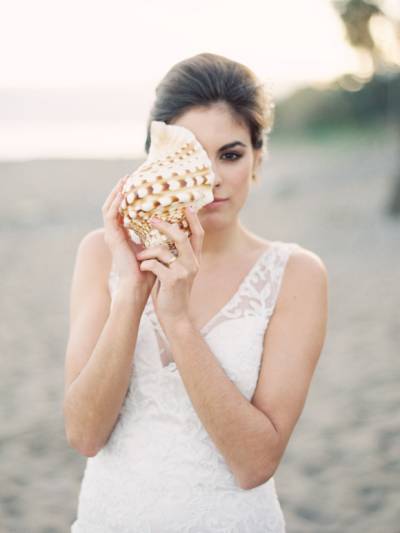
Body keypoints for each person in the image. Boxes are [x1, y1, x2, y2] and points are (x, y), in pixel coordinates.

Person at [64, 52, 328, 532]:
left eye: (231, 154)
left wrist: (179, 321)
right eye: (189, 155)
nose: (209, 177)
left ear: (257, 159)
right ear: (155, 159)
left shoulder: (296, 274)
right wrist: (130, 293)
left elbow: (255, 463)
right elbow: (84, 435)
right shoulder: (101, 255)